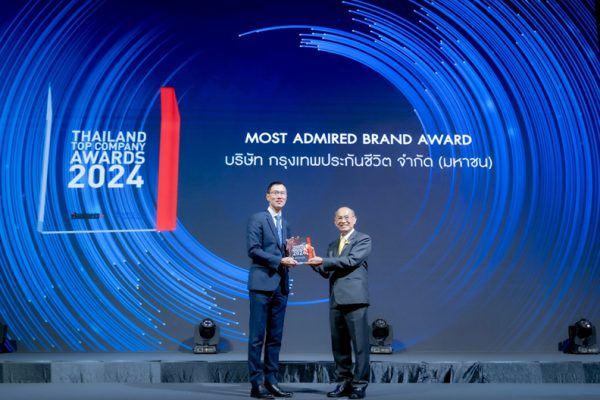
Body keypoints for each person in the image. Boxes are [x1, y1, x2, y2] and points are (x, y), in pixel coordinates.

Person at [308, 207, 371, 399]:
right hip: (336, 300)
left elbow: (351, 261)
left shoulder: (363, 239)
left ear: (354, 219)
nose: (343, 220)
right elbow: (327, 271)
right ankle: (344, 382)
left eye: (346, 217)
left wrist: (323, 260)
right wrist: (312, 261)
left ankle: (359, 385)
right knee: (339, 346)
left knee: (360, 345)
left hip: (355, 299)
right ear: (335, 222)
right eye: (339, 218)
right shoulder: (333, 245)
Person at [247, 181, 297, 399]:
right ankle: (256, 384)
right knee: (257, 337)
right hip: (261, 284)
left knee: (275, 338)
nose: (279, 196)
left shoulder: (286, 224)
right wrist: (280, 260)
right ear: (267, 196)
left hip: (280, 286)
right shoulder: (258, 218)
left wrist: (297, 255)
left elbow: (286, 253)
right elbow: (253, 250)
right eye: (275, 192)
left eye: (283, 193)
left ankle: (272, 381)